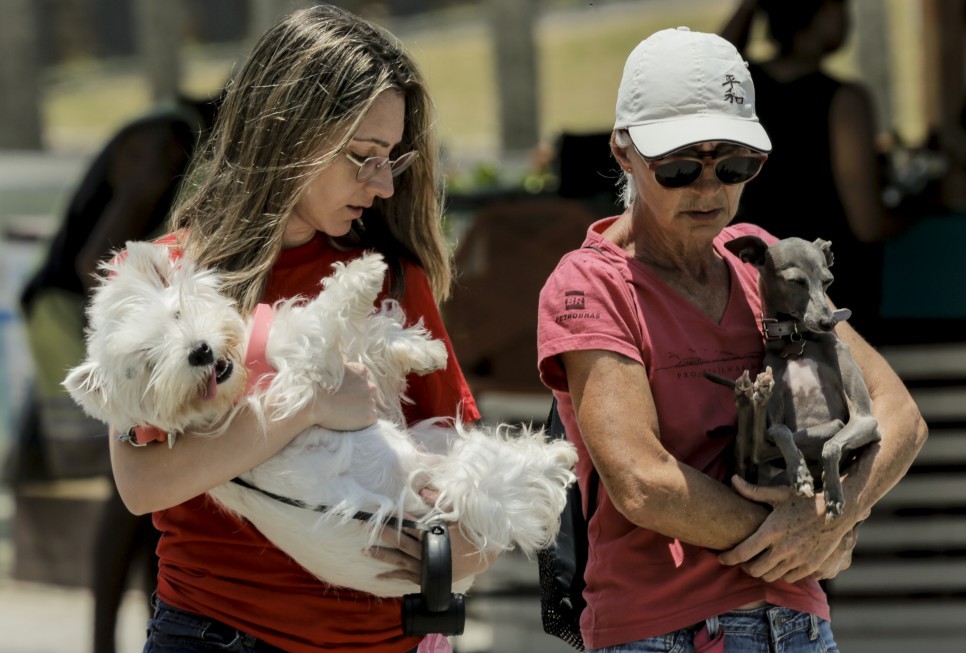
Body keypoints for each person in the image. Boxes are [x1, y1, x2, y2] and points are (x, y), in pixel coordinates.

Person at [106, 6, 492, 653]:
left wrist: (456, 552)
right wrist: (306, 405)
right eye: (363, 156)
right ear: (289, 130)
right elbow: (143, 485)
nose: (378, 184)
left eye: (390, 160)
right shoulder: (161, 276)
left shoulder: (391, 277)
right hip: (215, 632)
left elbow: (473, 487)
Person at [536, 27, 927, 652]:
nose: (710, 188)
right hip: (662, 632)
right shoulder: (589, 282)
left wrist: (834, 517)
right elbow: (641, 481)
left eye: (736, 164)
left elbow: (901, 415)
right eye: (682, 166)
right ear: (623, 151)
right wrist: (794, 534)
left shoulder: (765, 261)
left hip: (800, 626)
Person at [16, 90, 222, 653]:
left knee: (153, 487)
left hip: (99, 318)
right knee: (130, 478)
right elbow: (96, 265)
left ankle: (152, 625)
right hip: (76, 318)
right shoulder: (168, 144)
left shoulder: (179, 142)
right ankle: (104, 642)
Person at [719, 0, 914, 343]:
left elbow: (714, 61)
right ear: (819, 12)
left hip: (754, 291)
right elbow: (868, 224)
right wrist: (930, 202)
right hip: (828, 305)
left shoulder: (739, 93)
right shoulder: (844, 101)